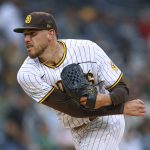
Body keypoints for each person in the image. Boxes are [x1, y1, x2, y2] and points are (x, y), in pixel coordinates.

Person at [13, 11, 146, 150]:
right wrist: (121, 108)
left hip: (106, 120)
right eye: (25, 35)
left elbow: (121, 87)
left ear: (50, 33)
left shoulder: (87, 48)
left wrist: (107, 100)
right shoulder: (27, 74)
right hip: (77, 129)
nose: (26, 39)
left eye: (32, 34)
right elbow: (74, 109)